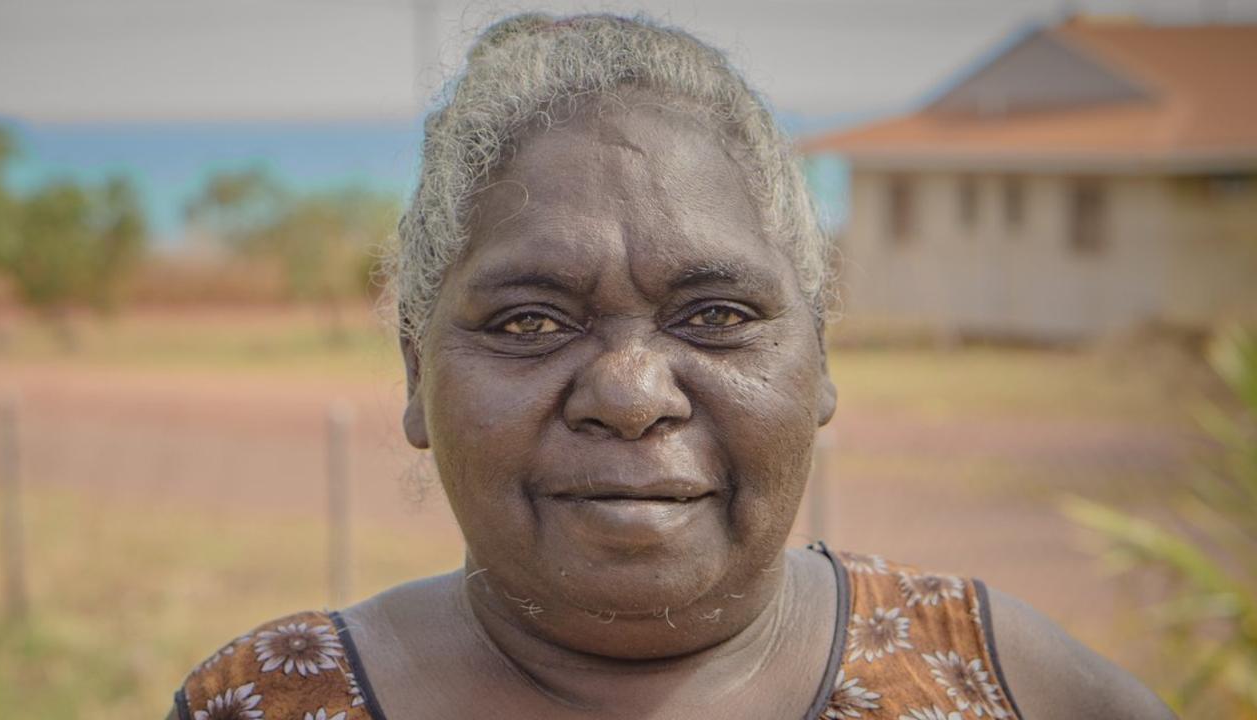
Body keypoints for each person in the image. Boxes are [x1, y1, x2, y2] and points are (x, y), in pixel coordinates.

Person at [170, 13, 1174, 720]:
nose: (630, 394)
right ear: (411, 376)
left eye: (717, 314)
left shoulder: (1001, 684)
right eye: (527, 322)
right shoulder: (270, 701)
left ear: (817, 357)